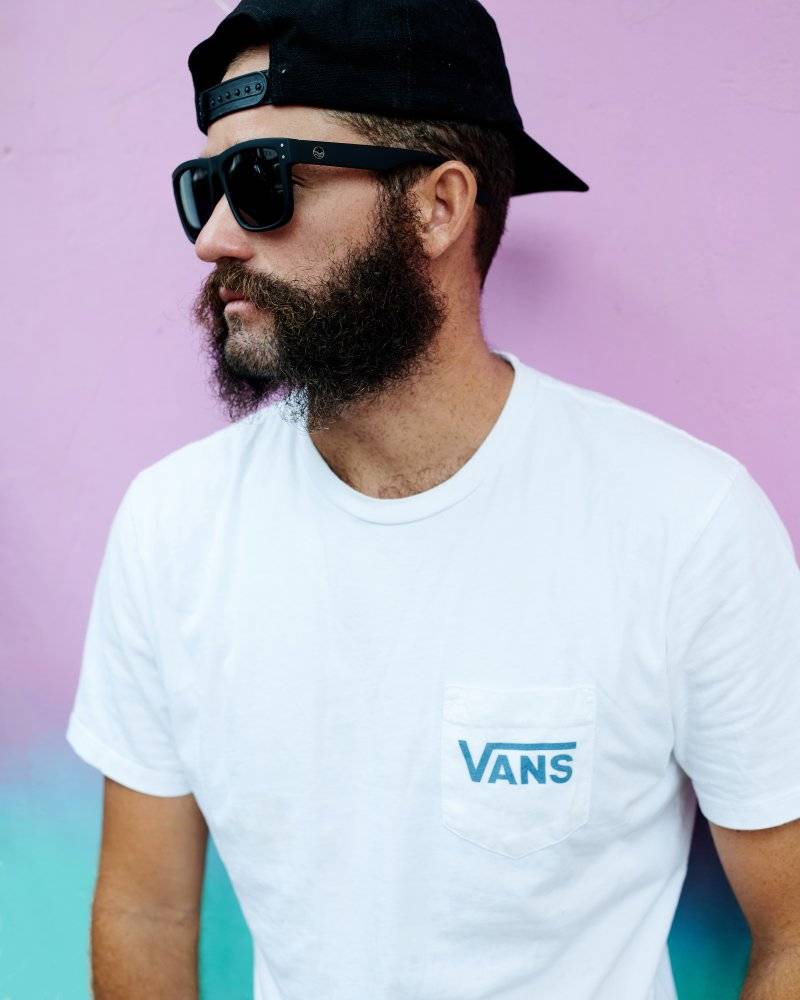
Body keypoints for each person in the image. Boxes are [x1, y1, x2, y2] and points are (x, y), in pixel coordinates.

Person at [66, 2, 800, 998]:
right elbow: (146, 915)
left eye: (261, 181)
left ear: (437, 206)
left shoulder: (681, 521)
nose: (215, 238)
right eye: (203, 189)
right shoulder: (173, 526)